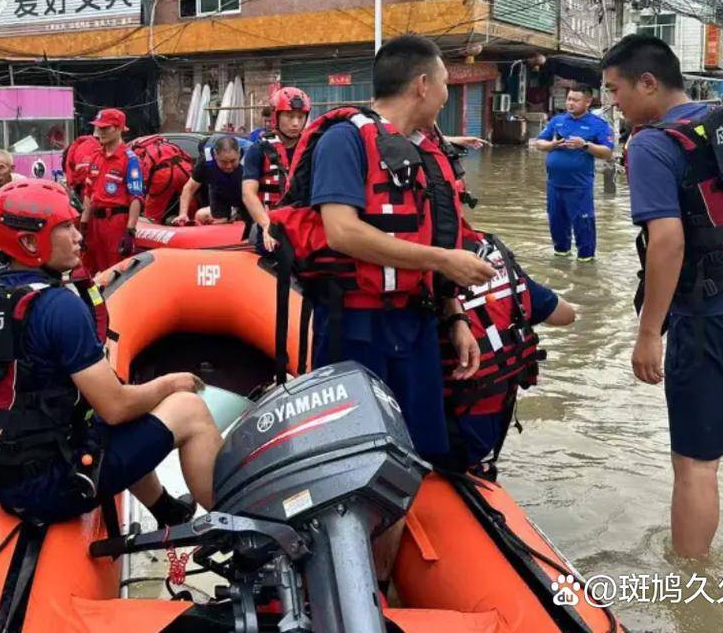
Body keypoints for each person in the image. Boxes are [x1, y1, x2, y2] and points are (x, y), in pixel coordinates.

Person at [269, 35, 495, 579]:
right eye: (444, 84)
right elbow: (342, 233)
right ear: (422, 83)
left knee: (408, 460)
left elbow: (437, 227)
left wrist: (455, 315)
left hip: (414, 324)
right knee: (352, 461)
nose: (445, 95)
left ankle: (383, 581)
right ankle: (337, 581)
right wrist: (444, 259)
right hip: (356, 324)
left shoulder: (423, 148)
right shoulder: (346, 141)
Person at [0, 179, 220, 526]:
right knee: (189, 409)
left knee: (101, 417)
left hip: (1, 480)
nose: (78, 236)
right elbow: (116, 408)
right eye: (65, 227)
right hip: (55, 485)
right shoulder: (58, 307)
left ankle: (166, 511)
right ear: (29, 241)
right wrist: (169, 384)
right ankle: (240, 533)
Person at [601, 33, 723, 558]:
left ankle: (691, 594)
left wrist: (648, 332)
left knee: (696, 464)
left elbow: (668, 241)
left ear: (648, 83)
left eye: (616, 89)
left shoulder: (652, 144)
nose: (615, 102)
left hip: (709, 316)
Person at [439, 228, 575, 478]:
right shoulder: (497, 256)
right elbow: (565, 315)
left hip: (449, 427)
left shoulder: (421, 266)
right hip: (490, 418)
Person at [532, 87, 613, 261]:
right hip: (554, 185)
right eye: (569, 99)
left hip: (580, 187)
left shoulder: (598, 124)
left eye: (575, 100)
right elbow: (538, 143)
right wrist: (553, 145)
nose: (570, 103)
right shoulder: (557, 121)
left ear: (588, 102)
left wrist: (585, 145)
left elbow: (607, 152)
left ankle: (586, 267)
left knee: (584, 229)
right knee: (557, 228)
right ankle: (561, 266)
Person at [243, 87, 311, 252]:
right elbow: (248, 193)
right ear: (276, 116)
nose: (296, 123)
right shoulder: (259, 149)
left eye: (301, 117)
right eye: (289, 116)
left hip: (304, 224)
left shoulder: (312, 148)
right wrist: (267, 225)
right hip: (271, 223)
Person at [79, 108, 143, 275]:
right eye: (99, 128)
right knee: (85, 272)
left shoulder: (129, 160)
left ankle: (113, 301)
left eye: (106, 128)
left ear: (120, 128)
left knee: (115, 272)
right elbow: (88, 193)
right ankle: (94, 301)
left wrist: (130, 230)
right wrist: (83, 225)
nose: (101, 132)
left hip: (116, 222)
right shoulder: (95, 157)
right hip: (94, 223)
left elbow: (136, 197)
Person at [172, 135, 248, 226]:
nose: (229, 166)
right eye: (223, 162)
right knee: (206, 217)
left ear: (239, 153)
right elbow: (189, 188)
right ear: (215, 155)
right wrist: (183, 214)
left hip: (247, 195)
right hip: (220, 195)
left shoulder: (251, 159)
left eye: (233, 161)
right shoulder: (206, 162)